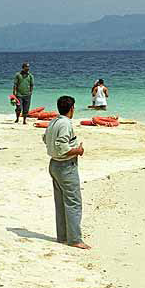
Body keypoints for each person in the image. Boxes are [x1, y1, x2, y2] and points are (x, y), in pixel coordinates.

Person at [42, 96, 90, 249]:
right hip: (65, 166)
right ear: (71, 108)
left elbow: (45, 138)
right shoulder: (64, 123)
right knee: (73, 203)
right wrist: (78, 150)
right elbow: (62, 147)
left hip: (54, 165)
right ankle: (75, 239)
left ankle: (62, 236)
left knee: (61, 202)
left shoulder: (54, 121)